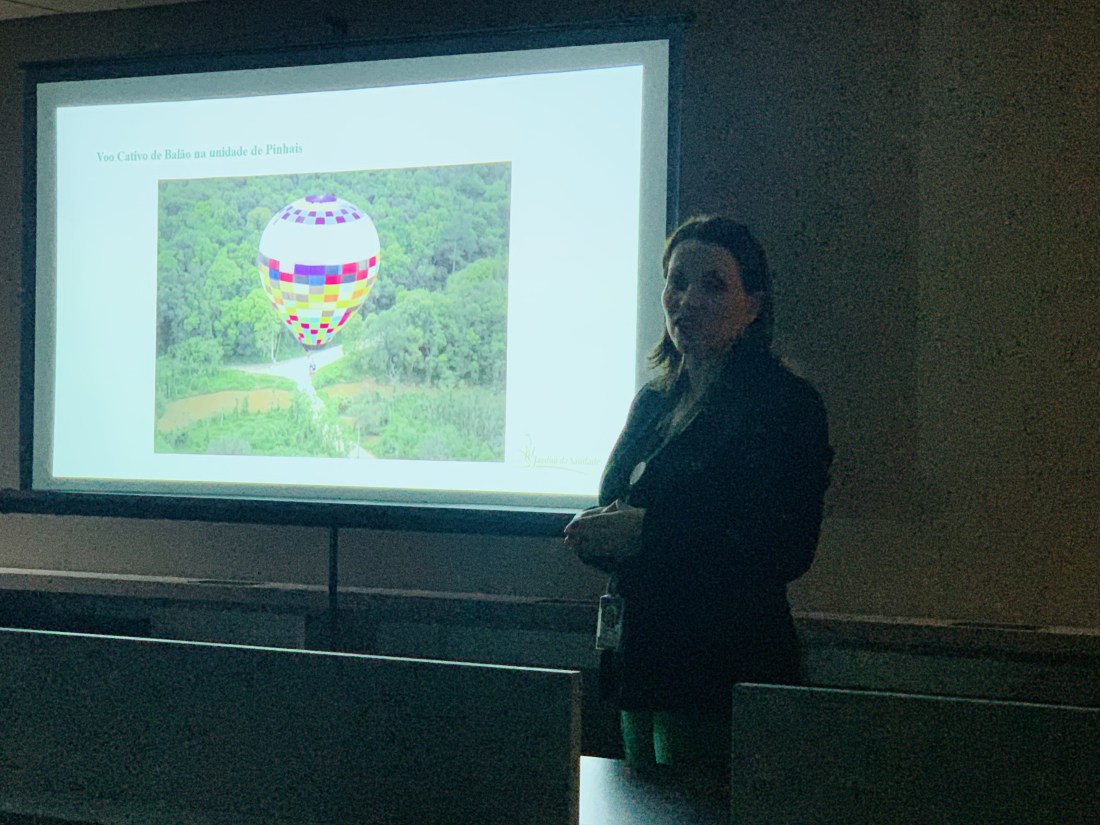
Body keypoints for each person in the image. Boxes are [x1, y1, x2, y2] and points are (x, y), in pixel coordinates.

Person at [564, 215, 832, 795]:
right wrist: (599, 535)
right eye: (677, 280)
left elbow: (785, 545)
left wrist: (648, 531)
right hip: (640, 662)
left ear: (753, 305)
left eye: (713, 285)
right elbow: (619, 507)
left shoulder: (785, 406)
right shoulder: (654, 400)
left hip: (722, 667)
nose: (687, 299)